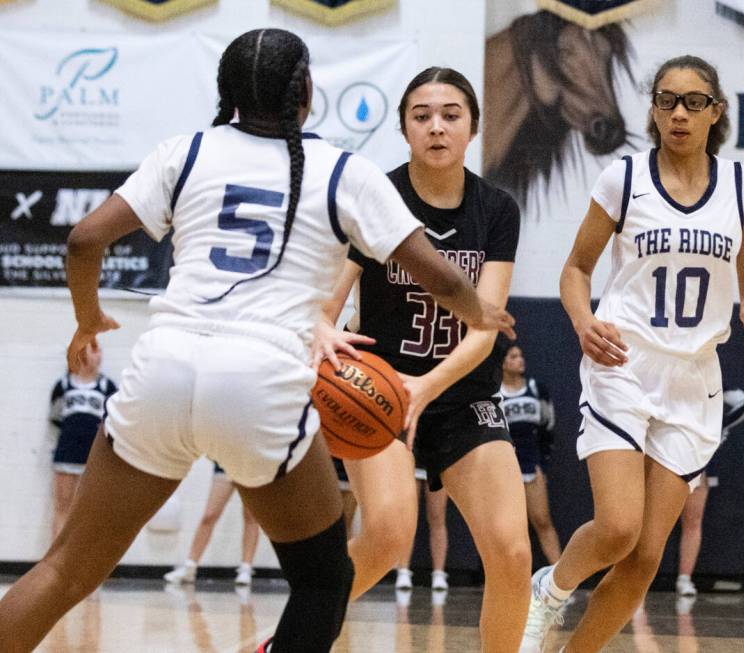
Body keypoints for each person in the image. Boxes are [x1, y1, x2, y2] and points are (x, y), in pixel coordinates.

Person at [0, 29, 514, 653]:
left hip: (162, 369)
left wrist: (88, 319)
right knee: (324, 585)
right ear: (306, 91)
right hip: (258, 381)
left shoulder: (185, 152)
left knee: (63, 571)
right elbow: (440, 277)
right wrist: (484, 314)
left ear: (229, 92)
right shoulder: (343, 170)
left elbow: (83, 240)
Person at [520, 55, 744, 653]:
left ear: (716, 112)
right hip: (622, 367)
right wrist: (583, 323)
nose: (678, 113)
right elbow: (575, 271)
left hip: (693, 381)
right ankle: (550, 591)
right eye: (666, 100)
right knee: (616, 527)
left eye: (693, 101)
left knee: (643, 558)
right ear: (653, 110)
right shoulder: (624, 179)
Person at [316, 66, 531, 652]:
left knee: (513, 553)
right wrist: (324, 340)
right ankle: (293, 638)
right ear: (405, 129)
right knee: (386, 536)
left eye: (451, 115)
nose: (437, 127)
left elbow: (485, 329)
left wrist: (427, 388)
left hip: (461, 395)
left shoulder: (497, 210)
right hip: (382, 392)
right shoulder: (375, 198)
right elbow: (328, 304)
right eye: (422, 116)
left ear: (473, 128)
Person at [676, 387, 744, 597]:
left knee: (693, 521)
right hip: (667, 461)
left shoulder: (716, 387)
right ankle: (637, 579)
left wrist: (721, 424)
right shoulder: (673, 381)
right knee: (652, 524)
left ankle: (684, 579)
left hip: (697, 467)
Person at [500, 343, 562, 565]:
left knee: (542, 521)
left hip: (531, 465)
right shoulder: (496, 394)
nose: (520, 360)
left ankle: (560, 582)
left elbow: (548, 428)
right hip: (505, 469)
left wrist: (542, 465)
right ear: (503, 362)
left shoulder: (536, 390)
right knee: (508, 527)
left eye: (521, 355)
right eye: (514, 356)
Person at [48, 343, 118, 539]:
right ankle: (57, 563)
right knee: (62, 506)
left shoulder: (107, 387)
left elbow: (115, 420)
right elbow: (55, 418)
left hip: (94, 458)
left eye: (100, 350)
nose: (99, 355)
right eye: (94, 350)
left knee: (89, 511)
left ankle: (82, 564)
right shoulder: (63, 385)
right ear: (80, 354)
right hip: (67, 454)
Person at [163, 462, 260, 586]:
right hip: (226, 463)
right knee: (209, 515)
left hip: (253, 466)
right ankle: (190, 568)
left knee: (251, 518)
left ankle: (246, 569)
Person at [394, 467, 450, 592]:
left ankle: (439, 573)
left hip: (437, 460)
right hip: (413, 458)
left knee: (437, 516)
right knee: (408, 516)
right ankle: (403, 570)